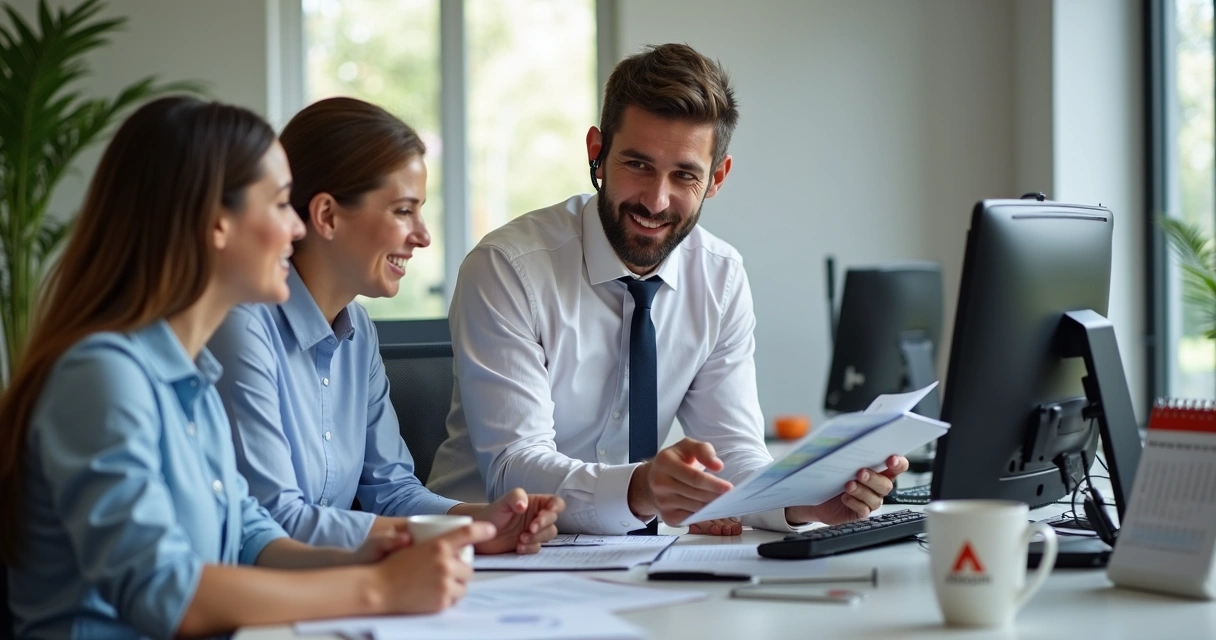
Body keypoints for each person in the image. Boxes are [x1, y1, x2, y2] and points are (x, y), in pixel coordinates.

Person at [0, 97, 495, 639]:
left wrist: (381, 551)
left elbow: (251, 537)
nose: (297, 227)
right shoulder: (101, 377)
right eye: (282, 204)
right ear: (216, 224)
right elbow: (167, 593)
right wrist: (378, 587)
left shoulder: (192, 378)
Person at [427, 43, 909, 535]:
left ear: (716, 178)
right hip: (484, 558)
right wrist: (643, 490)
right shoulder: (509, 268)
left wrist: (803, 502)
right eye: (637, 165)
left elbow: (733, 450)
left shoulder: (719, 277)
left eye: (684, 175)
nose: (656, 201)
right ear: (597, 152)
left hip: (631, 561)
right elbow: (514, 468)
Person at [207, 97, 564, 554]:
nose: (422, 235)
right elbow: (276, 519)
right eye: (402, 211)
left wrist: (487, 522)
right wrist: (448, 536)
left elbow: (393, 493)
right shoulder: (243, 326)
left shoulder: (357, 330)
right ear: (327, 216)